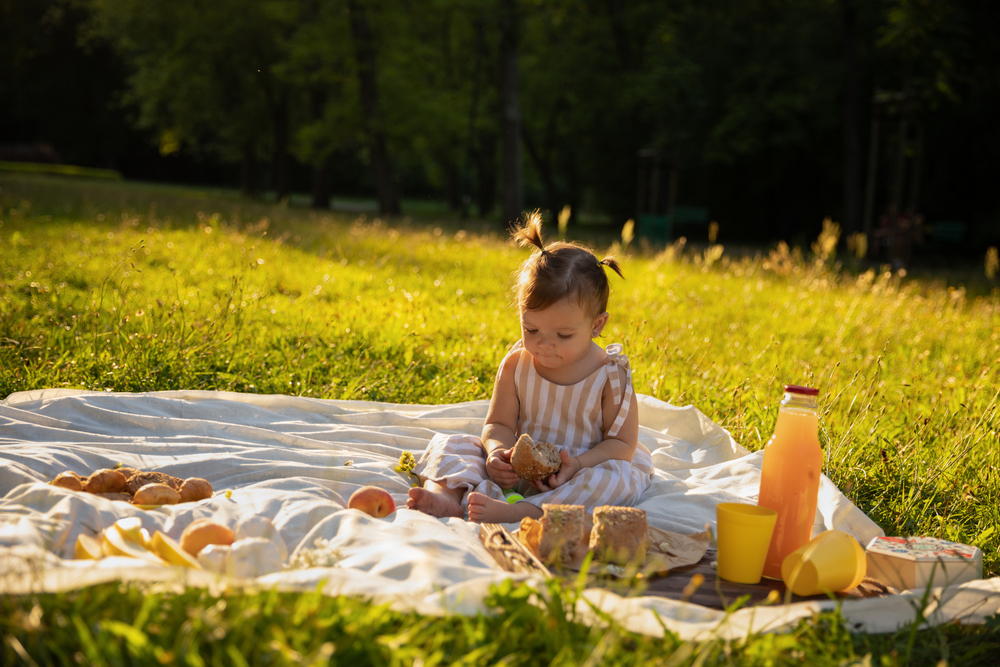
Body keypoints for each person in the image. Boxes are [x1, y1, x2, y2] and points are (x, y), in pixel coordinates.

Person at [406, 212, 654, 523]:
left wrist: (577, 464)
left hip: (578, 472)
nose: (543, 345)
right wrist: (498, 452)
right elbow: (498, 424)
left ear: (596, 325)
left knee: (616, 476)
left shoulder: (609, 375)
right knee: (454, 443)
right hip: (520, 467)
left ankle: (522, 511)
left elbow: (622, 445)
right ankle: (444, 496)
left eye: (563, 335)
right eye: (531, 330)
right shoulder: (517, 362)